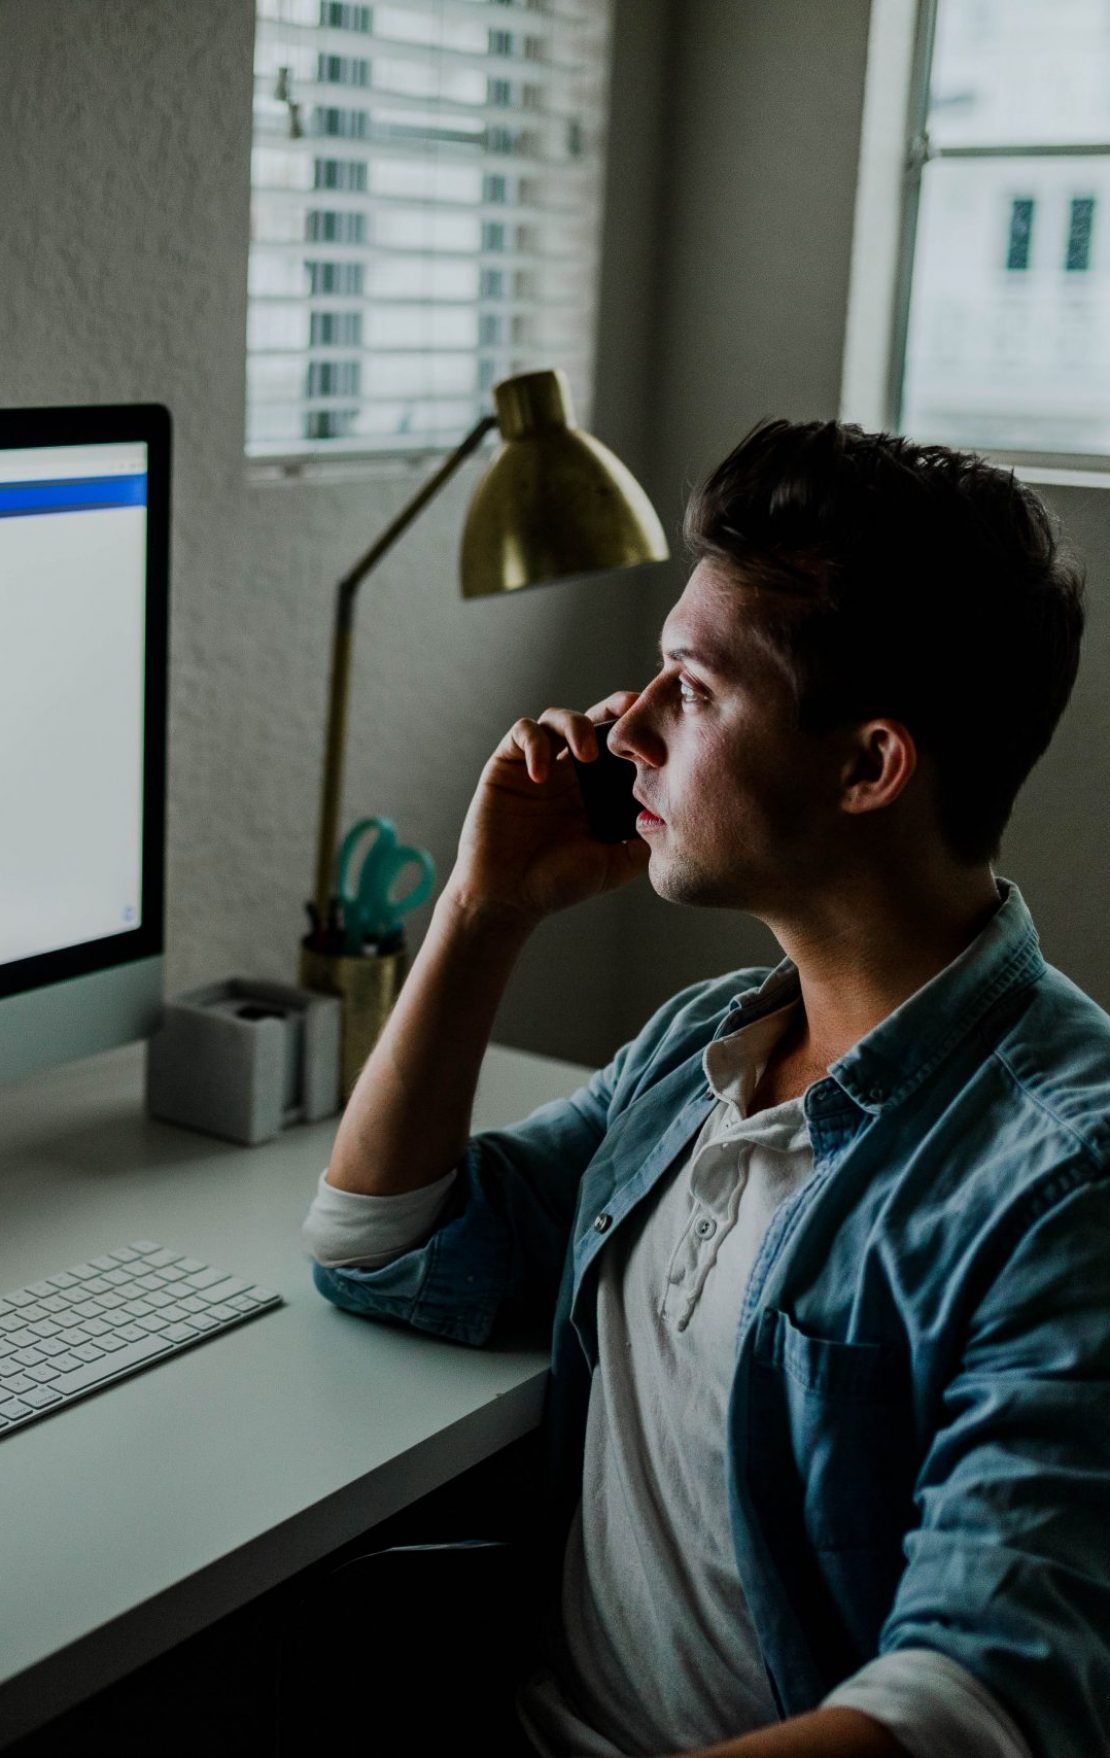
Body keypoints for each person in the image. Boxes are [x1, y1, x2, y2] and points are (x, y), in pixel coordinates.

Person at [298, 418, 1110, 1758]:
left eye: (690, 684)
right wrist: (482, 908)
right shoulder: (701, 1054)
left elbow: (977, 1706)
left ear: (866, 766)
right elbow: (384, 1245)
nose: (624, 726)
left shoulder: (1060, 1183)